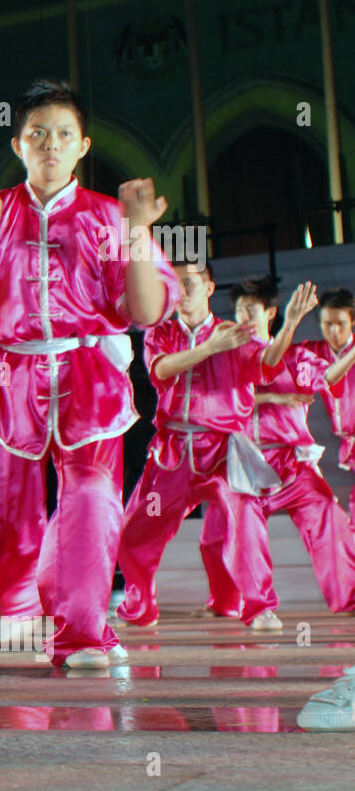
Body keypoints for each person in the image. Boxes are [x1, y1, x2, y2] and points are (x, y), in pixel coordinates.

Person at [0, 78, 180, 668]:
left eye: (63, 134)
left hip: (87, 369)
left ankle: (83, 631)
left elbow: (144, 312)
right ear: (18, 144)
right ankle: (19, 605)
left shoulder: (110, 218)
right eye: (37, 134)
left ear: (83, 145)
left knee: (92, 499)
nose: (50, 144)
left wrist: (140, 233)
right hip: (5, 375)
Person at [116, 262, 292, 631]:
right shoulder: (160, 332)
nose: (180, 291)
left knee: (245, 518)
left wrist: (288, 325)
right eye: (173, 284)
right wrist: (211, 348)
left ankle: (259, 607)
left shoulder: (234, 333)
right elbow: (161, 372)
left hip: (223, 451)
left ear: (209, 287)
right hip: (173, 451)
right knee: (134, 530)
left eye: (189, 283)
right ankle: (139, 603)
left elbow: (267, 363)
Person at [198, 278, 355, 616]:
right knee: (215, 536)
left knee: (327, 509)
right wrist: (270, 396)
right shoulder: (225, 360)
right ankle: (238, 604)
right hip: (241, 463)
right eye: (238, 311)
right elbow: (216, 400)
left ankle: (348, 598)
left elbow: (328, 378)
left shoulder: (296, 356)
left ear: (270, 313)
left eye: (249, 310)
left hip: (289, 463)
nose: (242, 317)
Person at [303, 288, 355, 523]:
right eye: (327, 324)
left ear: (352, 321)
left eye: (340, 323)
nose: (334, 331)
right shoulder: (315, 352)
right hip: (346, 438)